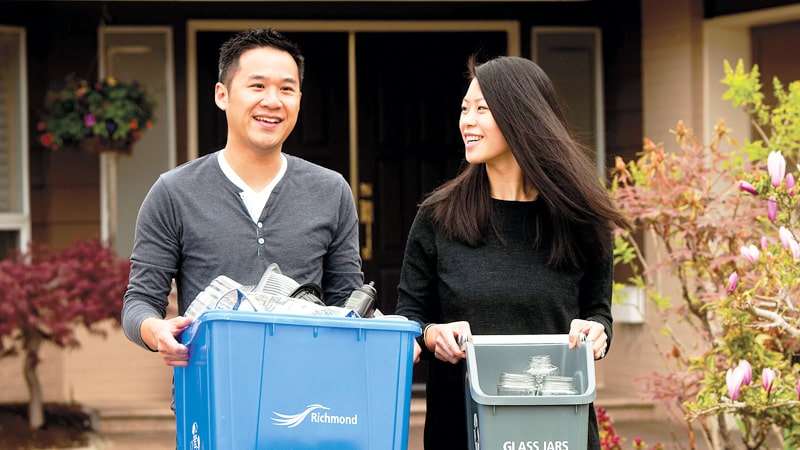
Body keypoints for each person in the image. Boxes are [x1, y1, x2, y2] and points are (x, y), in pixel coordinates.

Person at [395, 56, 628, 450]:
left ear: (521, 115)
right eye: (464, 109)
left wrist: (597, 332)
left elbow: (598, 312)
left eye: (482, 109)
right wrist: (434, 335)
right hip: (461, 428)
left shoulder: (579, 219)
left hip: (558, 431)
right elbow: (410, 318)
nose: (467, 121)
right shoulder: (438, 216)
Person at [121, 29, 363, 368]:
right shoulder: (173, 192)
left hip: (309, 391)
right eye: (258, 86)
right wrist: (156, 330)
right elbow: (139, 303)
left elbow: (346, 302)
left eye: (286, 89)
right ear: (222, 95)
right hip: (211, 390)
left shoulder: (331, 190)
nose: (273, 101)